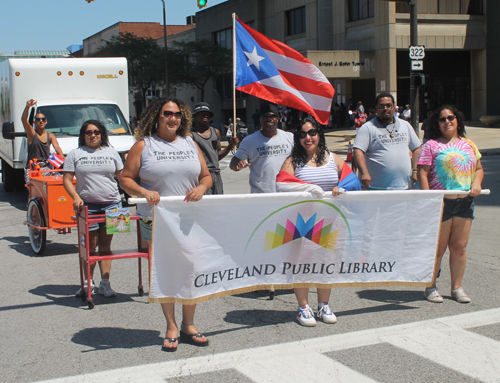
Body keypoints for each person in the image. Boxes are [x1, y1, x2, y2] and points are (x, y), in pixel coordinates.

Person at [119, 98, 212, 352]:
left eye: (178, 115)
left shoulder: (190, 143)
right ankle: (171, 326)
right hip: (157, 219)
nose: (173, 118)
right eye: (167, 114)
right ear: (156, 117)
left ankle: (188, 324)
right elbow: (125, 178)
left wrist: (202, 188)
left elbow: (206, 176)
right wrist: (142, 191)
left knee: (192, 268)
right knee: (164, 271)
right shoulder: (144, 145)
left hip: (190, 218)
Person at [279, 117, 347, 326]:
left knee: (327, 262)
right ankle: (303, 306)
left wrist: (342, 187)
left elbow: (351, 180)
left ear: (319, 134)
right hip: (302, 222)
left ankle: (324, 304)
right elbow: (281, 184)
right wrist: (307, 188)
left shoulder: (333, 158)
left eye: (312, 133)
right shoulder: (292, 161)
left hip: (330, 219)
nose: (307, 138)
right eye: (302, 134)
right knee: (302, 263)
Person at [417, 105, 483, 304]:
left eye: (451, 118)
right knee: (438, 248)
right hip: (440, 202)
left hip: (464, 203)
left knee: (459, 247)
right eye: (442, 119)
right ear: (437, 124)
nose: (447, 121)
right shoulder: (431, 145)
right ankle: (430, 286)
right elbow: (422, 172)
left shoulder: (469, 144)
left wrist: (477, 183)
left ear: (458, 121)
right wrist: (427, 198)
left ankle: (456, 287)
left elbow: (478, 168)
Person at [63, 120, 123, 298]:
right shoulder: (75, 154)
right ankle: (88, 283)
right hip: (88, 207)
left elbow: (122, 177)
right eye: (89, 132)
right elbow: (67, 179)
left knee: (106, 245)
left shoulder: (112, 152)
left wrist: (134, 195)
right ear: (83, 135)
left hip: (113, 205)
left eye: (96, 132)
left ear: (102, 134)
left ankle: (105, 284)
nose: (93, 135)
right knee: (90, 246)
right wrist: (76, 197)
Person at [353, 93, 421, 190]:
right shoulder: (367, 128)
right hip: (376, 188)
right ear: (376, 108)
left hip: (404, 187)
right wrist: (364, 172)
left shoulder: (405, 125)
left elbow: (417, 147)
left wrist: (415, 170)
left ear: (394, 107)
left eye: (389, 105)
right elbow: (358, 151)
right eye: (381, 106)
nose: (386, 109)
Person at [229, 103, 294, 193]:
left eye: (273, 116)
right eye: (265, 116)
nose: (269, 118)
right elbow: (233, 163)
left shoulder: (290, 137)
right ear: (260, 120)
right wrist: (238, 165)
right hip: (261, 195)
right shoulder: (249, 140)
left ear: (277, 119)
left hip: (288, 193)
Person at [190, 102, 238, 195]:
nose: (205, 115)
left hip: (216, 174)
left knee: (218, 203)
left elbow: (217, 156)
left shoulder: (215, 132)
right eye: (202, 113)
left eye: (207, 113)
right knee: (206, 204)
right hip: (201, 176)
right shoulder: (190, 136)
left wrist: (230, 146)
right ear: (195, 116)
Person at [22, 99, 64, 183]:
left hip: (46, 168)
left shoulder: (51, 135)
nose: (40, 121)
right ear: (34, 122)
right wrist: (27, 107)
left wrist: (63, 157)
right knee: (34, 190)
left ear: (46, 121)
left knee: (58, 181)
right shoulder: (32, 134)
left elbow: (57, 148)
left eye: (42, 119)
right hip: (33, 168)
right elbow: (24, 120)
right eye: (38, 119)